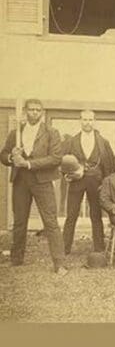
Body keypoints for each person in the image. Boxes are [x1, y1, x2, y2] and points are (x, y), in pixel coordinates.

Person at [0, 99, 67, 275]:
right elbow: (3, 155)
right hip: (21, 180)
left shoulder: (51, 132)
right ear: (25, 112)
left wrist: (28, 164)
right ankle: (16, 259)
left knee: (50, 221)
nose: (35, 113)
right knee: (20, 221)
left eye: (38, 110)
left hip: (42, 181)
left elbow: (55, 158)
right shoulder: (16, 133)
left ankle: (59, 264)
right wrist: (12, 158)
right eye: (31, 110)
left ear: (42, 112)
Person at [62, 110, 115, 255]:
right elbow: (62, 162)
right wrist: (68, 174)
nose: (87, 123)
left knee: (96, 215)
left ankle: (99, 247)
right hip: (77, 181)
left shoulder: (103, 142)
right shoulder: (71, 141)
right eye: (85, 119)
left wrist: (106, 184)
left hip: (96, 181)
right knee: (71, 214)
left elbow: (109, 165)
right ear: (80, 120)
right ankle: (64, 248)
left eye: (90, 120)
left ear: (94, 121)